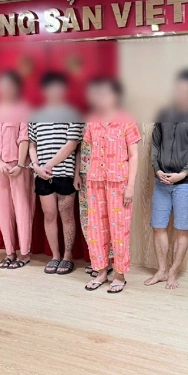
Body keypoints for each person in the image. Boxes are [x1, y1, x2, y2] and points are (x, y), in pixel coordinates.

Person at [145, 69, 188, 289]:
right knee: (158, 226)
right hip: (161, 181)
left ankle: (173, 273)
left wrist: (184, 173)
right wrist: (157, 169)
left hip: (185, 183)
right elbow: (155, 143)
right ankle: (162, 270)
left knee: (181, 229)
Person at [84, 77, 141, 293]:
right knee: (96, 229)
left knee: (119, 230)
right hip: (95, 181)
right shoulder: (92, 120)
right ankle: (100, 271)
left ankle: (119, 275)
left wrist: (130, 186)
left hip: (119, 183)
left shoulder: (126, 121)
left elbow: (134, 155)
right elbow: (88, 149)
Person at [28, 73, 84, 275]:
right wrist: (36, 165)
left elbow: (72, 145)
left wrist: (49, 165)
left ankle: (68, 256)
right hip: (42, 175)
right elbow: (32, 144)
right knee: (49, 215)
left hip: (65, 173)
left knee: (67, 216)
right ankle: (55, 255)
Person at [0, 71, 34, 269]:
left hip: (19, 166)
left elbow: (24, 137)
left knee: (22, 207)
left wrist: (19, 164)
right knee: (3, 209)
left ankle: (24, 253)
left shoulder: (23, 109)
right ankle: (10, 252)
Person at [75, 81, 113, 278]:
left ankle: (109, 262)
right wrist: (77, 174)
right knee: (88, 220)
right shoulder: (85, 119)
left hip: (105, 178)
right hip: (85, 176)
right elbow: (79, 149)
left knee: (107, 219)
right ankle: (97, 260)